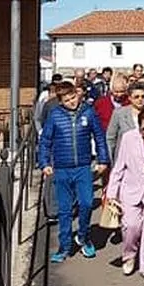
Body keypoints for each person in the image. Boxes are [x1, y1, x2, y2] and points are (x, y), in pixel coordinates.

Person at [39, 80, 109, 263]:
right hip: (62, 168)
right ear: (61, 101)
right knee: (65, 210)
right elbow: (45, 141)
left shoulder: (88, 112)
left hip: (83, 167)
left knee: (86, 203)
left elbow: (99, 137)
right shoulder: (55, 116)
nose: (72, 102)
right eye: (67, 100)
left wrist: (103, 159)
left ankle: (83, 236)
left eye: (73, 97)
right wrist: (44, 163)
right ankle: (64, 246)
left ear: (78, 94)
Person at [105, 107, 144, 280]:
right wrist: (111, 194)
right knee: (131, 226)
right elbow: (119, 166)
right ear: (139, 127)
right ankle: (129, 256)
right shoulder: (128, 138)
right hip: (131, 190)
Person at [106, 80, 144, 161]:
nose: (140, 99)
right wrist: (109, 160)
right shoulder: (119, 113)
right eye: (136, 97)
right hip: (124, 158)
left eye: (143, 97)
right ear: (130, 98)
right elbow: (111, 138)